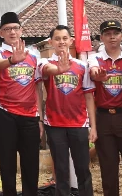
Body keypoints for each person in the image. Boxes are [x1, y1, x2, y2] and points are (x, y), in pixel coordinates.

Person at [0, 12, 42, 196]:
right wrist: (11, 60)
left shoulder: (33, 54)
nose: (12, 32)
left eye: (15, 28)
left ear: (21, 30)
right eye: (7, 29)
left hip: (30, 116)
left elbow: (37, 87)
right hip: (5, 113)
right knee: (7, 163)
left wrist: (39, 117)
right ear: (1, 33)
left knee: (31, 163)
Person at [38, 25, 96, 196]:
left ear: (71, 40)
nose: (61, 42)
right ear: (51, 42)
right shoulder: (45, 63)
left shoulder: (81, 66)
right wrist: (59, 69)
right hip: (54, 124)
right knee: (61, 170)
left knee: (83, 169)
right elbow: (46, 71)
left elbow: (89, 97)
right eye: (57, 38)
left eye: (65, 38)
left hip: (78, 124)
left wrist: (93, 126)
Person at [87, 20, 122, 196]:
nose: (112, 37)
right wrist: (98, 75)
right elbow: (93, 71)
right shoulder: (94, 57)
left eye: (115, 33)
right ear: (101, 37)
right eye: (107, 34)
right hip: (104, 117)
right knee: (108, 169)